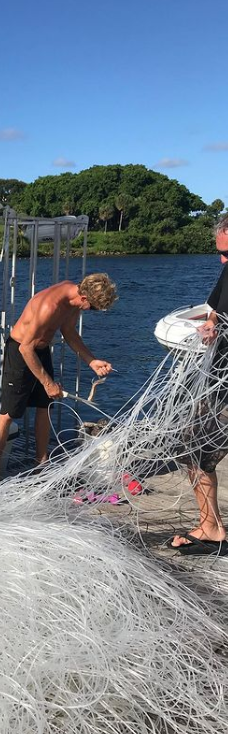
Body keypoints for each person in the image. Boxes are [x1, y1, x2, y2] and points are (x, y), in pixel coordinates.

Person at [0, 273, 117, 481]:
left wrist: (91, 361)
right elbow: (25, 348)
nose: (91, 311)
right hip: (21, 350)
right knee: (8, 412)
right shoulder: (50, 306)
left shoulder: (74, 300)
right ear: (85, 298)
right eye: (93, 308)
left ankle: (42, 463)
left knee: (45, 405)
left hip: (40, 350)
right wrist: (48, 383)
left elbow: (69, 331)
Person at [169, 215, 228, 555]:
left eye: (227, 252)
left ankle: (212, 528)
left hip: (225, 384)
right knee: (192, 448)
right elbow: (215, 312)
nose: (222, 259)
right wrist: (210, 326)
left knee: (199, 451)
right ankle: (211, 525)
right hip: (217, 379)